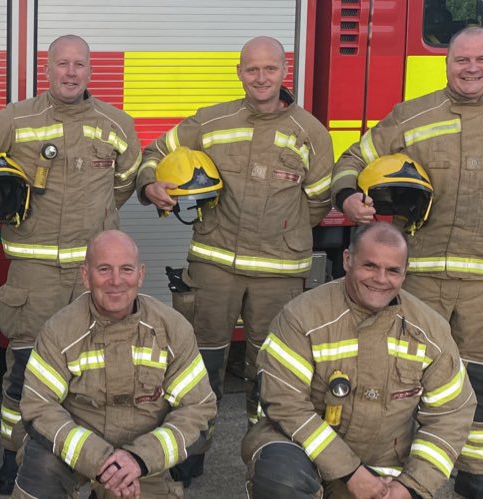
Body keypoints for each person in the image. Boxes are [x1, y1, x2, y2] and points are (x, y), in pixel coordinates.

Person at [332, 26, 483, 499]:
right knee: (406, 377)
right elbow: (355, 156)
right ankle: (402, 468)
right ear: (447, 64)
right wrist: (349, 196)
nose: (471, 68)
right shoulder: (414, 116)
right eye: (461, 60)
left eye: (481, 59)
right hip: (422, 277)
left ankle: (477, 474)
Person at [0, 34, 142, 493]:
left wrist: (99, 220)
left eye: (79, 65)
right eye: (62, 64)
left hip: (95, 279)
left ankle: (90, 458)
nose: (71, 73)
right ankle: (14, 455)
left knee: (96, 374)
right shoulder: (17, 119)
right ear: (46, 70)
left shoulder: (116, 125)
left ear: (91, 71)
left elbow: (125, 181)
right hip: (34, 277)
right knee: (25, 373)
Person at [136, 35, 335, 480]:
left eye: (269, 69)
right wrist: (151, 185)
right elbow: (153, 153)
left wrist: (283, 233)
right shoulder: (211, 121)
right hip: (214, 266)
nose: (260, 78)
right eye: (251, 69)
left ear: (285, 71)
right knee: (199, 364)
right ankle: (193, 448)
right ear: (239, 72)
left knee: (270, 372)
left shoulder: (311, 132)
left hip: (279, 274)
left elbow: (317, 201)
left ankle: (264, 452)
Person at [243, 222, 475, 499]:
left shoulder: (430, 330)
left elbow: (451, 414)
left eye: (392, 270)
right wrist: (350, 472)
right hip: (305, 454)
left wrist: (411, 486)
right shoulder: (302, 317)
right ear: (347, 260)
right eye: (370, 266)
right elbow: (286, 404)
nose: (380, 278)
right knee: (281, 480)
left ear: (405, 272)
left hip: (384, 476)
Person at [12, 230, 217, 498]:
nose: (116, 281)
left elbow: (197, 408)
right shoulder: (59, 331)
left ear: (141, 275)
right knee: (41, 467)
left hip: (143, 461)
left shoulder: (172, 329)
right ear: (86, 276)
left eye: (126, 269)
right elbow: (39, 407)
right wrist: (100, 461)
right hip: (76, 454)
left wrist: (140, 459)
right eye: (104, 269)